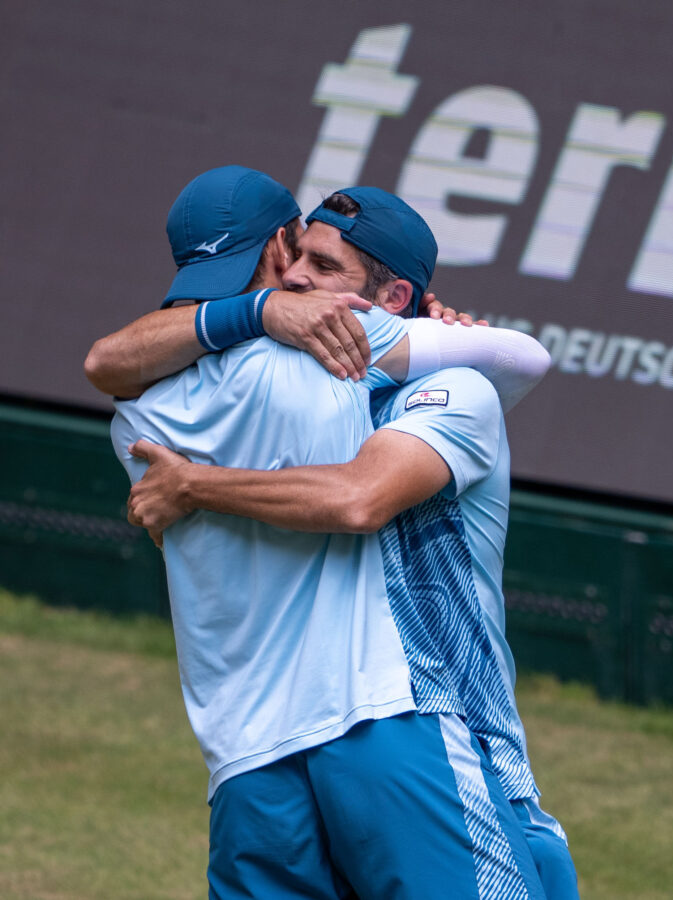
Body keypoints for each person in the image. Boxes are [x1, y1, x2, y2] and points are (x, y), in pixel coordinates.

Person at [97, 166, 552, 899]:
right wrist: (432, 337)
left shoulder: (141, 410)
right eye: (298, 258)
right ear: (278, 244)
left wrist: (193, 484)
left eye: (326, 266)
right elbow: (520, 361)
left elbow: (103, 362)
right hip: (394, 720)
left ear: (392, 296)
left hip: (247, 756)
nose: (302, 282)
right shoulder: (356, 353)